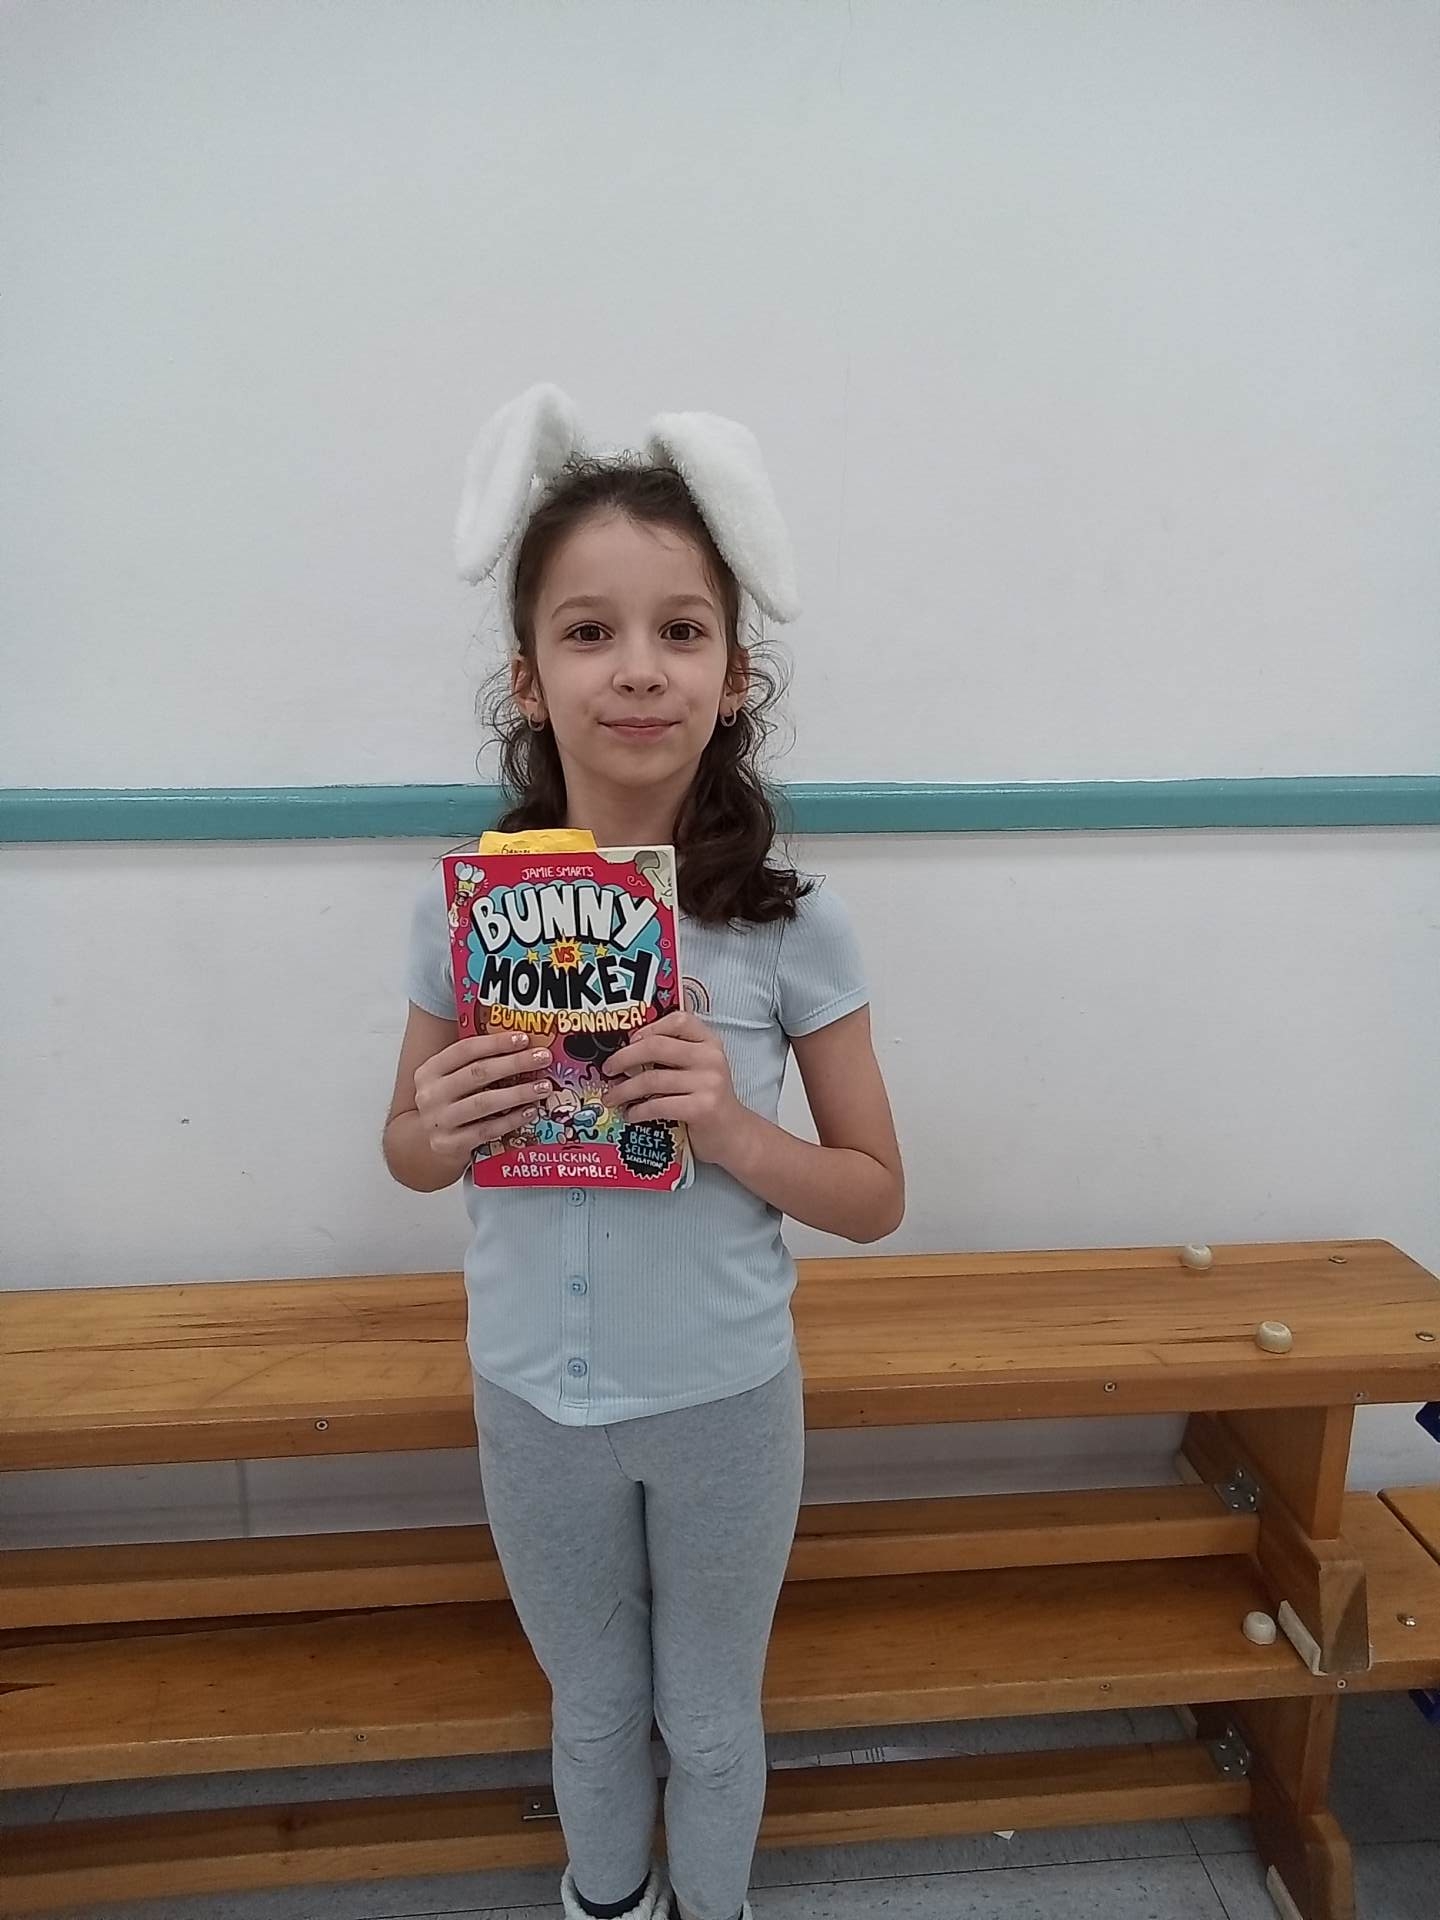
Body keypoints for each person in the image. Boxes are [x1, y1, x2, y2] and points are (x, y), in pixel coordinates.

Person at [383, 387, 904, 1920]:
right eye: (588, 631)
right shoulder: (460, 914)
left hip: (723, 1395)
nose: (636, 668)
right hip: (531, 1392)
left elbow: (875, 1194)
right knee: (595, 1709)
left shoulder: (790, 925)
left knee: (712, 1718)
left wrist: (730, 1127)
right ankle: (605, 1904)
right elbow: (405, 1151)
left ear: (734, 677)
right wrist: (443, 1124)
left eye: (681, 632)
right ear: (528, 676)